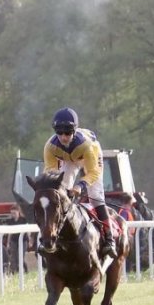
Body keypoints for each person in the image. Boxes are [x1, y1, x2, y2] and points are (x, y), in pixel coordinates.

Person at [44, 107, 117, 258]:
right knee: (60, 193)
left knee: (95, 196)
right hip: (69, 159)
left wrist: (80, 185)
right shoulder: (50, 146)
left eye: (67, 133)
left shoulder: (87, 145)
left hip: (90, 158)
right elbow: (51, 172)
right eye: (59, 133)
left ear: (74, 131)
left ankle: (109, 239)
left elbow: (93, 172)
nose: (63, 137)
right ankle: (53, 235)